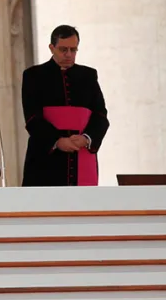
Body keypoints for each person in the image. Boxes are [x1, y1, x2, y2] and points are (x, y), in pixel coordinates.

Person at [21, 25, 109, 187]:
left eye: (73, 50)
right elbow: (32, 118)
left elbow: (101, 116)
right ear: (51, 48)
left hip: (81, 153)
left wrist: (87, 138)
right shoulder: (33, 75)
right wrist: (57, 141)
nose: (69, 55)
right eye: (63, 49)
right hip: (46, 155)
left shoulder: (88, 76)